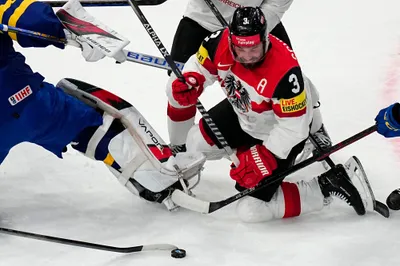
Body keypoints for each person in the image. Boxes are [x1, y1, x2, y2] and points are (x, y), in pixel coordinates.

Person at [0, 0, 205, 210]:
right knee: (92, 124)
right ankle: (158, 177)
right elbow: (27, 18)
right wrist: (67, 30)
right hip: (27, 100)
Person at [166, 6, 366, 222]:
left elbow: (293, 128)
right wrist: (193, 80)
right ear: (231, 39)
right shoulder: (217, 42)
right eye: (240, 50)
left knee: (252, 211)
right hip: (244, 112)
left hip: (279, 132)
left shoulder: (285, 72)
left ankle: (325, 186)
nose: (247, 57)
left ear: (265, 39)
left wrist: (266, 155)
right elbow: (198, 64)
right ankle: (245, 151)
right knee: (195, 141)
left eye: (254, 49)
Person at [168, 0, 331, 158]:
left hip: (256, 21)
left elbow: (276, 4)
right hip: (202, 19)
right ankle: (181, 148)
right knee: (178, 85)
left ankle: (314, 128)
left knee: (289, 78)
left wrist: (247, 35)